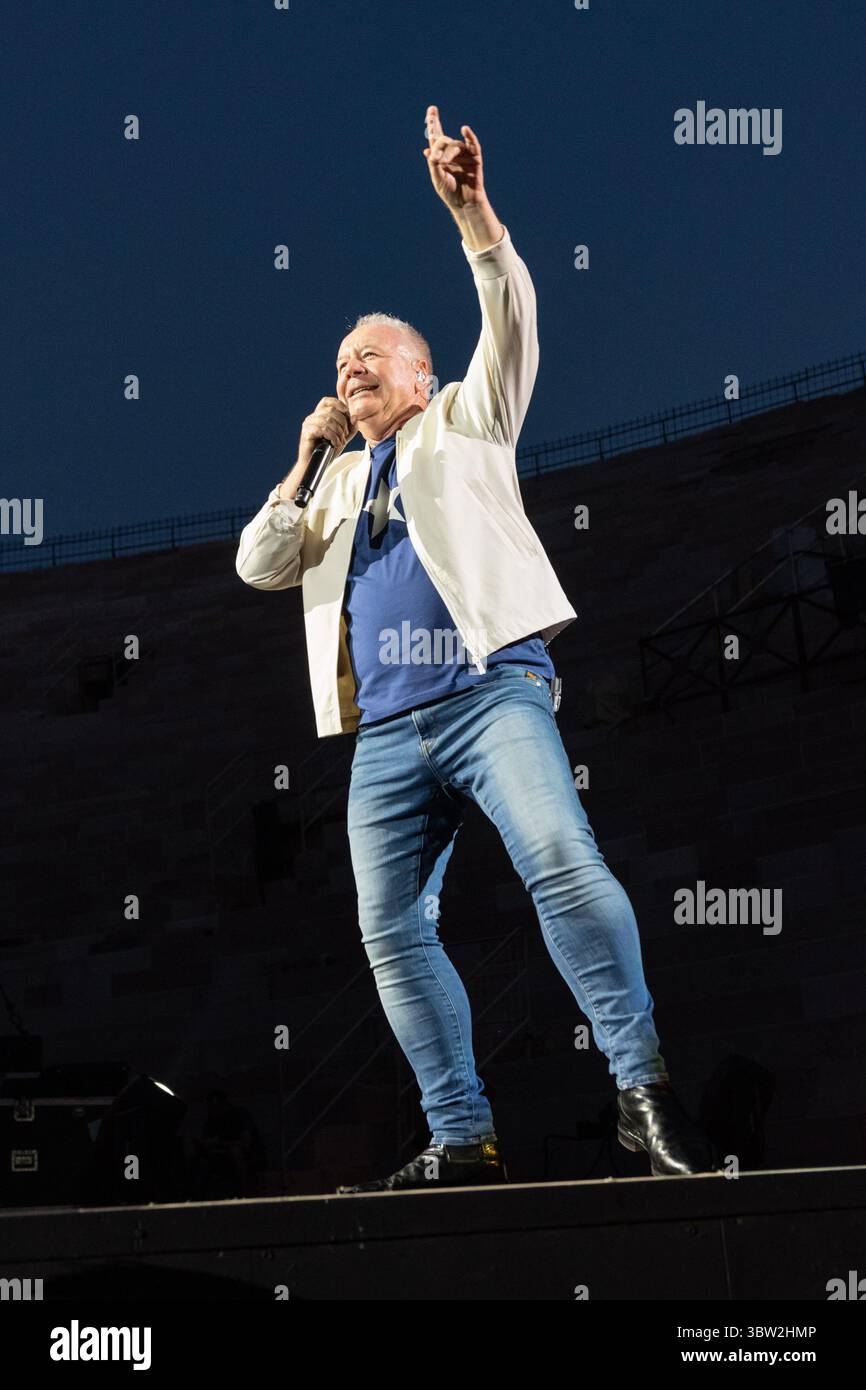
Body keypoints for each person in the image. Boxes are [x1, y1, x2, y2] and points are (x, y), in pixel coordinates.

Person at [236, 105, 718, 1192]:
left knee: (559, 860)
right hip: (385, 738)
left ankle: (641, 1095)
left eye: (372, 355)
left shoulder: (466, 417)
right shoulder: (335, 481)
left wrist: (472, 215)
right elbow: (258, 565)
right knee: (389, 932)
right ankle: (461, 1137)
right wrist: (305, 456)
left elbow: (512, 314)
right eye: (339, 361)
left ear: (418, 373)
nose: (350, 366)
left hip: (490, 692)